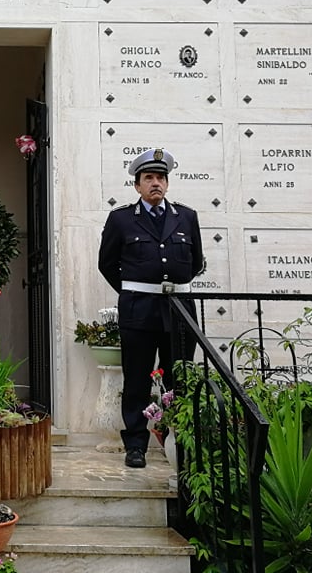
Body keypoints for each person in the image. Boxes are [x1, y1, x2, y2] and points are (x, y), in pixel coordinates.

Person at [98, 147, 204, 469]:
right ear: (137, 185)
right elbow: (107, 264)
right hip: (139, 310)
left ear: (167, 184)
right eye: (148, 178)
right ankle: (135, 445)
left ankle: (179, 441)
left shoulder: (186, 217)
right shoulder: (121, 219)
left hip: (179, 311)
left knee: (179, 378)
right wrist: (133, 291)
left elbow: (195, 263)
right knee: (137, 381)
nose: (155, 183)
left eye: (160, 178)